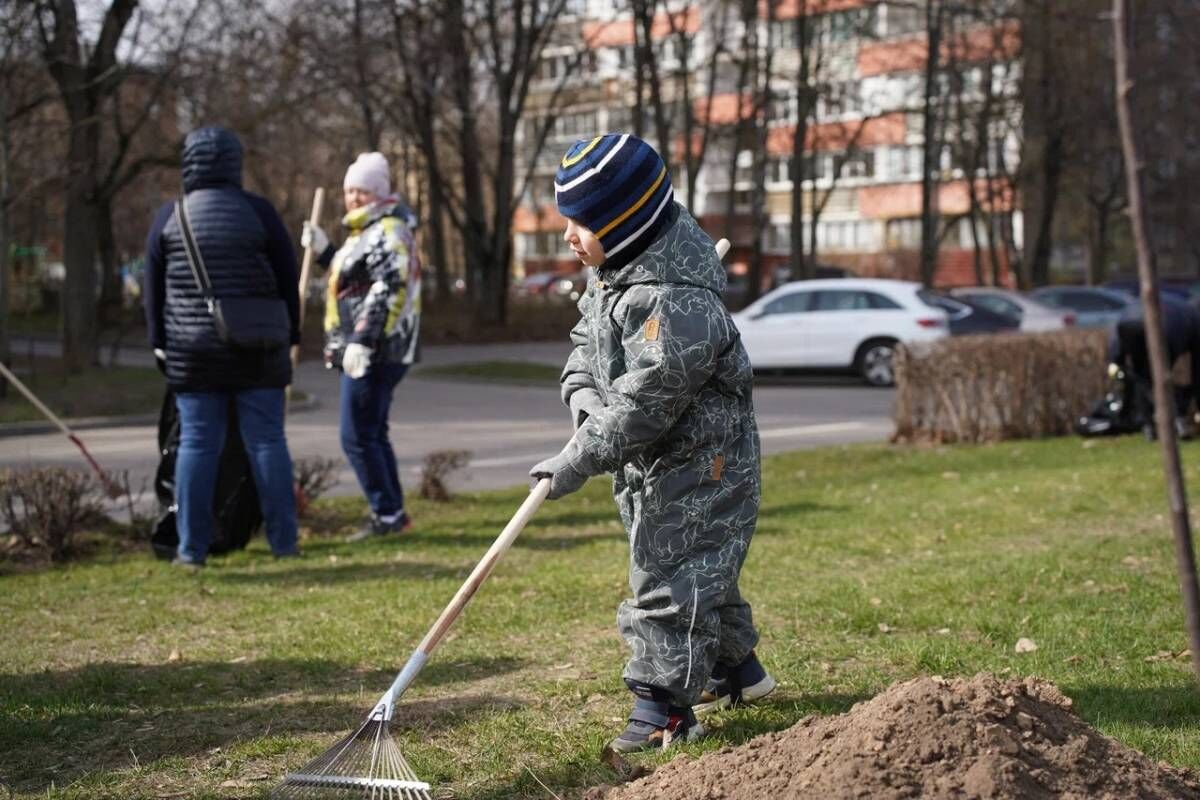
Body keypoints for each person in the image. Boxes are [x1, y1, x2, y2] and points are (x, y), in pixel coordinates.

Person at [529, 134, 774, 754]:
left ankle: (663, 708)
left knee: (668, 576)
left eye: (580, 223)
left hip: (703, 464)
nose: (568, 236)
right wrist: (582, 394)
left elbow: (644, 405)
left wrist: (577, 458)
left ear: (625, 222)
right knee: (698, 568)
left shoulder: (680, 303)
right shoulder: (615, 275)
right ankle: (736, 669)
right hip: (653, 463)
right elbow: (586, 340)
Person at [143, 126, 301, 567]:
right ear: (235, 164)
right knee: (267, 441)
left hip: (193, 353)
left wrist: (160, 344)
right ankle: (284, 544)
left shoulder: (170, 217)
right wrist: (292, 335)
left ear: (187, 164)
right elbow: (288, 279)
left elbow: (151, 293)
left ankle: (191, 550)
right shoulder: (260, 213)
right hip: (258, 348)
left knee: (196, 443)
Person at [301, 152, 422, 542]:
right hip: (369, 347)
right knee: (372, 431)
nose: (353, 197)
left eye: (362, 190)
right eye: (350, 190)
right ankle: (393, 512)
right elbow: (356, 281)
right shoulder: (367, 232)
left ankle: (386, 513)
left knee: (356, 435)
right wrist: (324, 253)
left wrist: (362, 340)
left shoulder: (389, 231)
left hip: (376, 350)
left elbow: (389, 288)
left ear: (379, 193)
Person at [1107, 292, 1200, 438]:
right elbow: (1197, 370)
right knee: (1156, 379)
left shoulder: (1183, 310)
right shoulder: (1192, 316)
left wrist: (1115, 359)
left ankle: (1149, 426)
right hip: (1164, 328)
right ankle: (1177, 421)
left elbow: (1118, 330)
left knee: (1143, 379)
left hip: (1129, 324)